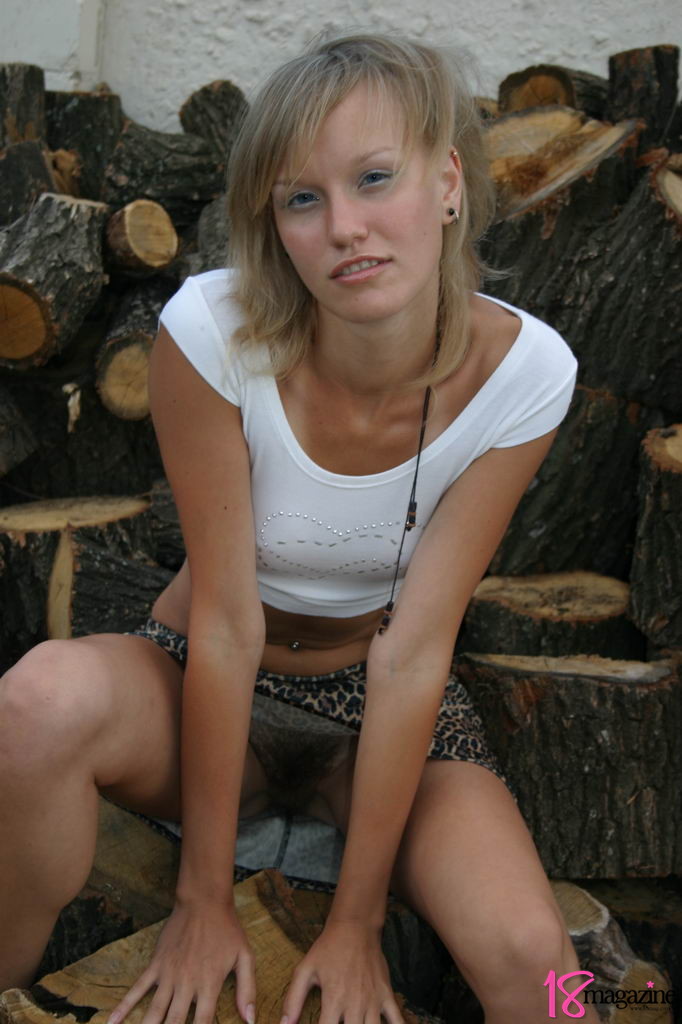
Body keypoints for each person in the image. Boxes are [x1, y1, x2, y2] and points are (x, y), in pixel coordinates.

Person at [0, 31, 600, 1024]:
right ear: (273, 223)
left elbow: (414, 652)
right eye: (302, 199)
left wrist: (355, 922)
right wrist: (200, 901)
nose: (345, 228)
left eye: (375, 178)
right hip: (197, 682)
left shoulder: (526, 374)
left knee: (541, 967)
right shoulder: (210, 333)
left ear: (449, 183)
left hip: (379, 711)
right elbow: (225, 624)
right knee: (33, 704)